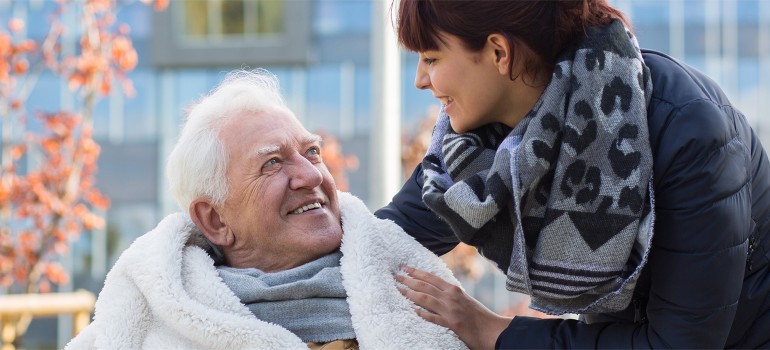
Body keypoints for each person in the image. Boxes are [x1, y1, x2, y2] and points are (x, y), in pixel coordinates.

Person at [375, 0, 770, 349]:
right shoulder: (476, 143)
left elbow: (679, 342)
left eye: (431, 58)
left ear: (499, 52)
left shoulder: (689, 134)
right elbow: (386, 235)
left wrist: (492, 330)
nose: (420, 80)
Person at [64, 69, 467, 350]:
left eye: (312, 152)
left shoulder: (414, 291)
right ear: (215, 220)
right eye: (272, 162)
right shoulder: (142, 326)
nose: (310, 175)